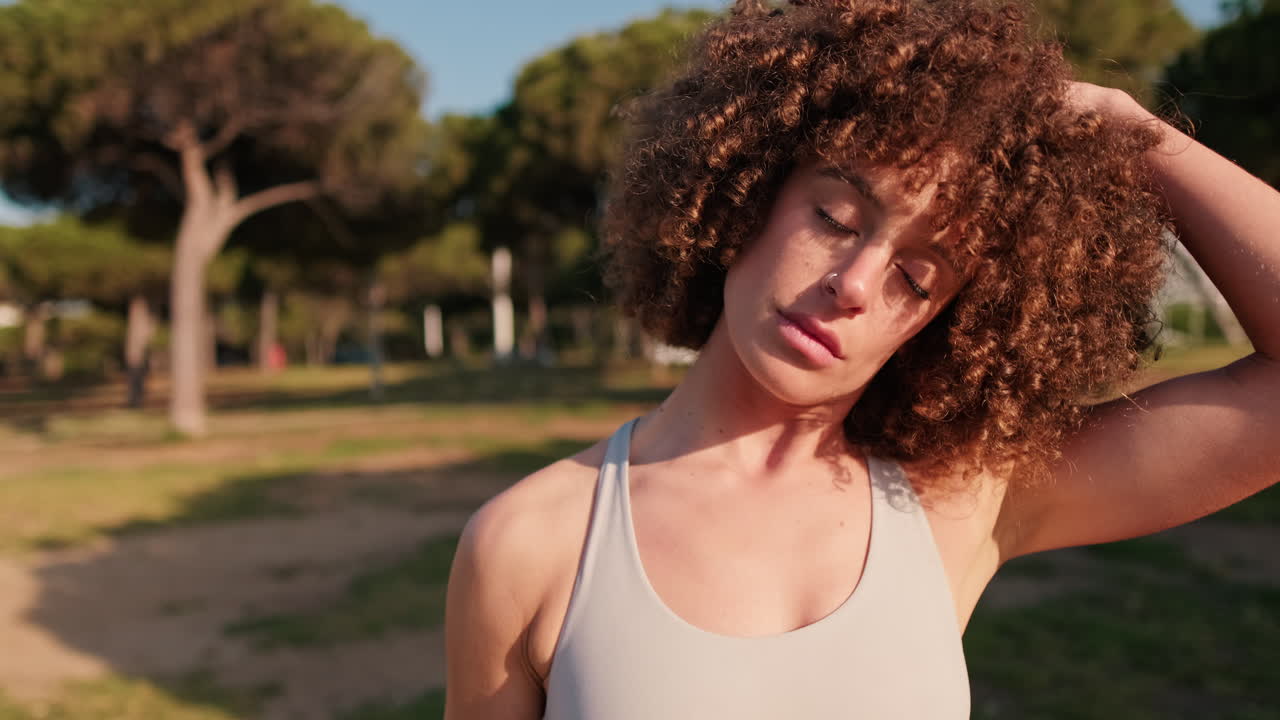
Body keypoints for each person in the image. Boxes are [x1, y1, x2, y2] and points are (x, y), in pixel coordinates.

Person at [443, 0, 1280, 717]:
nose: (854, 283)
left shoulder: (959, 499)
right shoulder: (533, 542)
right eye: (836, 219)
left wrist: (1124, 126)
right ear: (748, 188)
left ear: (947, 323)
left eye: (916, 278)